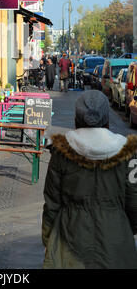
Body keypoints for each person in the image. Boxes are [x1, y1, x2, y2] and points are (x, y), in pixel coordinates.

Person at [42, 90, 137, 269]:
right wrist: (124, 228)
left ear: (77, 119)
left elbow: (52, 202)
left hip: (69, 237)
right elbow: (134, 202)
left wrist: (48, 239)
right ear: (106, 119)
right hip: (115, 238)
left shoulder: (61, 152)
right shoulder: (128, 153)